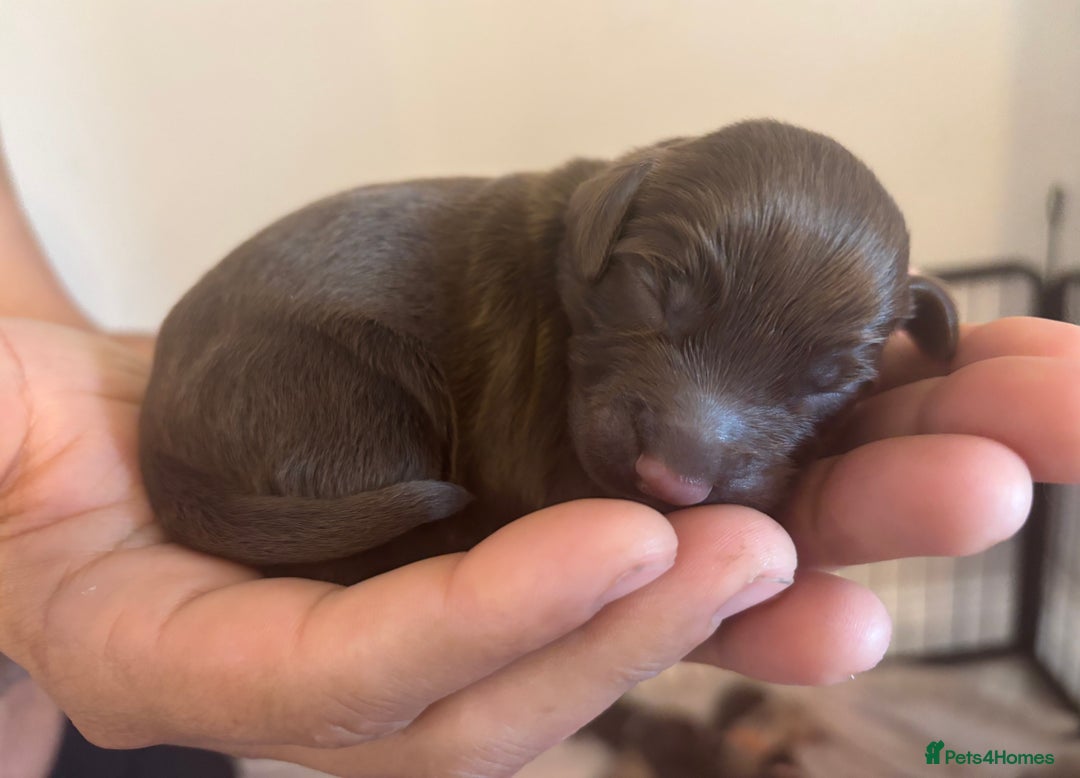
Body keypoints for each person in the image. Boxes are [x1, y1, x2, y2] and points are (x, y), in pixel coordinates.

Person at [0, 131, 1077, 778]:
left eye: (812, 383)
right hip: (292, 378)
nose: (686, 458)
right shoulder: (519, 259)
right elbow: (519, 476)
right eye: (662, 297)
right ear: (611, 215)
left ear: (914, 332)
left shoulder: (627, 232)